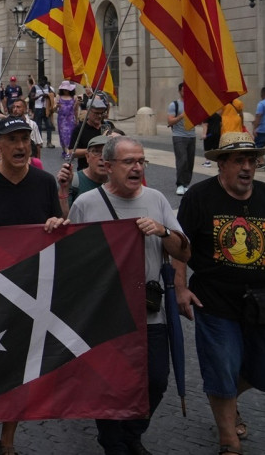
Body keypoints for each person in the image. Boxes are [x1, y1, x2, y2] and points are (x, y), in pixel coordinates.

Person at [175, 131, 265, 455]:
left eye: (252, 160)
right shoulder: (199, 197)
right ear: (222, 164)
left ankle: (227, 401)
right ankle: (228, 440)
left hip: (260, 298)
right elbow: (179, 247)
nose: (247, 167)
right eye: (239, 160)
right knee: (222, 365)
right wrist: (180, 288)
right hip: (214, 298)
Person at [67, 136, 189, 454]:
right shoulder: (86, 204)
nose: (137, 168)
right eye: (129, 162)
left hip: (150, 312)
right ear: (108, 166)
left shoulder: (156, 199)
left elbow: (184, 251)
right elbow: (72, 258)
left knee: (156, 380)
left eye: (141, 161)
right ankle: (114, 443)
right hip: (105, 316)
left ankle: (132, 433)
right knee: (110, 384)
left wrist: (163, 231)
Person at [0, 116, 67, 455]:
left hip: (32, 291)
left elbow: (57, 226)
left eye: (25, 139)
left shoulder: (45, 183)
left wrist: (57, 221)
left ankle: (8, 439)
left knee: (22, 367)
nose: (21, 146)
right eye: (13, 140)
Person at [55, 135, 110, 212]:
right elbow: (63, 217)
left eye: (107, 153)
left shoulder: (119, 183)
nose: (102, 158)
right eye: (96, 152)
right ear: (87, 156)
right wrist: (63, 189)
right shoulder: (72, 182)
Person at [166, 82, 199, 195]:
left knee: (190, 162)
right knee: (182, 160)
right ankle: (180, 184)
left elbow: (197, 120)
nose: (186, 92)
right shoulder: (174, 105)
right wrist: (181, 116)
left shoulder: (193, 104)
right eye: (184, 90)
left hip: (191, 135)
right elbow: (170, 121)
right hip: (179, 136)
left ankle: (186, 184)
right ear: (180, 91)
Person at [69, 96, 108, 170]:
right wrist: (93, 150)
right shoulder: (80, 129)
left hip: (106, 170)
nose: (99, 116)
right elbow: (72, 152)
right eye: (96, 113)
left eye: (102, 113)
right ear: (88, 112)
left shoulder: (107, 127)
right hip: (86, 169)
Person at [55, 81, 77, 159]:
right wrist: (57, 106)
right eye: (64, 89)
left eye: (67, 89)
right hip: (62, 119)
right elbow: (54, 109)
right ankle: (66, 152)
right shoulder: (58, 97)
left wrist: (76, 119)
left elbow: (75, 110)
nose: (65, 91)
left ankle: (68, 152)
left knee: (70, 135)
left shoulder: (74, 97)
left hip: (70, 119)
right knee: (63, 135)